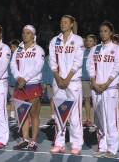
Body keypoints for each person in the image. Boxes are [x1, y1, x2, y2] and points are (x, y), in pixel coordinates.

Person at [87, 21, 119, 158]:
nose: (103, 33)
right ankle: (102, 146)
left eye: (106, 31)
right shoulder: (95, 49)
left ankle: (112, 148)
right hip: (96, 89)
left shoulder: (117, 49)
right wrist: (93, 82)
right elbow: (90, 66)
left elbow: (118, 67)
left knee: (111, 120)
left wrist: (107, 83)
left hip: (110, 89)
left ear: (111, 33)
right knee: (99, 120)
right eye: (101, 31)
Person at [49, 15, 84, 155]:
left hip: (73, 82)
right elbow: (52, 61)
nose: (62, 24)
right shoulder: (54, 41)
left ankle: (76, 144)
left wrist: (67, 78)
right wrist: (58, 78)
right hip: (58, 82)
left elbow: (78, 61)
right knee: (59, 114)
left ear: (71, 25)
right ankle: (59, 143)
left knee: (75, 115)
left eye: (65, 22)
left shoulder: (78, 40)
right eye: (61, 22)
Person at [11, 25, 45, 151]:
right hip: (19, 85)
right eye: (23, 32)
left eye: (28, 33)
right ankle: (25, 139)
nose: (25, 35)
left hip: (32, 85)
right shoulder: (18, 50)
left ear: (33, 35)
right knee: (22, 114)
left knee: (34, 114)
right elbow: (13, 65)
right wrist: (18, 78)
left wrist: (25, 78)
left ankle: (33, 141)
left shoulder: (38, 50)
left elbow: (38, 67)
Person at [82, 34, 97, 127]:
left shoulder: (98, 52)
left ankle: (98, 119)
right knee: (87, 100)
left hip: (95, 80)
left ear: (95, 42)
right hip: (84, 79)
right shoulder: (83, 52)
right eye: (87, 40)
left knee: (96, 101)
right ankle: (88, 119)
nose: (88, 42)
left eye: (91, 41)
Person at [7, 39, 20, 121]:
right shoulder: (9, 56)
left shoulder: (21, 56)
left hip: (19, 81)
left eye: (14, 47)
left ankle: (20, 115)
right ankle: (12, 115)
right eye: (11, 47)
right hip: (11, 81)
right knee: (12, 98)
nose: (12, 49)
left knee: (19, 99)